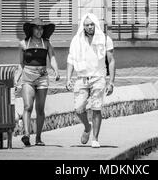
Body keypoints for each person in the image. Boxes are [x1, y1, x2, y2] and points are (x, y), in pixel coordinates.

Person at [66, 13, 116, 148]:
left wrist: (111, 82)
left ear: (95, 25)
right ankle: (87, 127)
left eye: (91, 24)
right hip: (81, 78)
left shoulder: (105, 39)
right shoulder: (76, 40)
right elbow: (71, 60)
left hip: (98, 77)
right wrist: (68, 78)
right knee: (78, 108)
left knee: (96, 108)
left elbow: (111, 61)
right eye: (87, 25)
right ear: (83, 26)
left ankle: (95, 138)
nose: (89, 27)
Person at [18, 18, 60, 146]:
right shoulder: (24, 43)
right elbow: (21, 63)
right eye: (36, 28)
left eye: (41, 28)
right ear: (31, 29)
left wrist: (56, 71)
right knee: (27, 106)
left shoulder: (46, 43)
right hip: (28, 77)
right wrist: (16, 79)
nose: (39, 30)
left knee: (40, 109)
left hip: (42, 78)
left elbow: (52, 58)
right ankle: (26, 134)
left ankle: (38, 137)